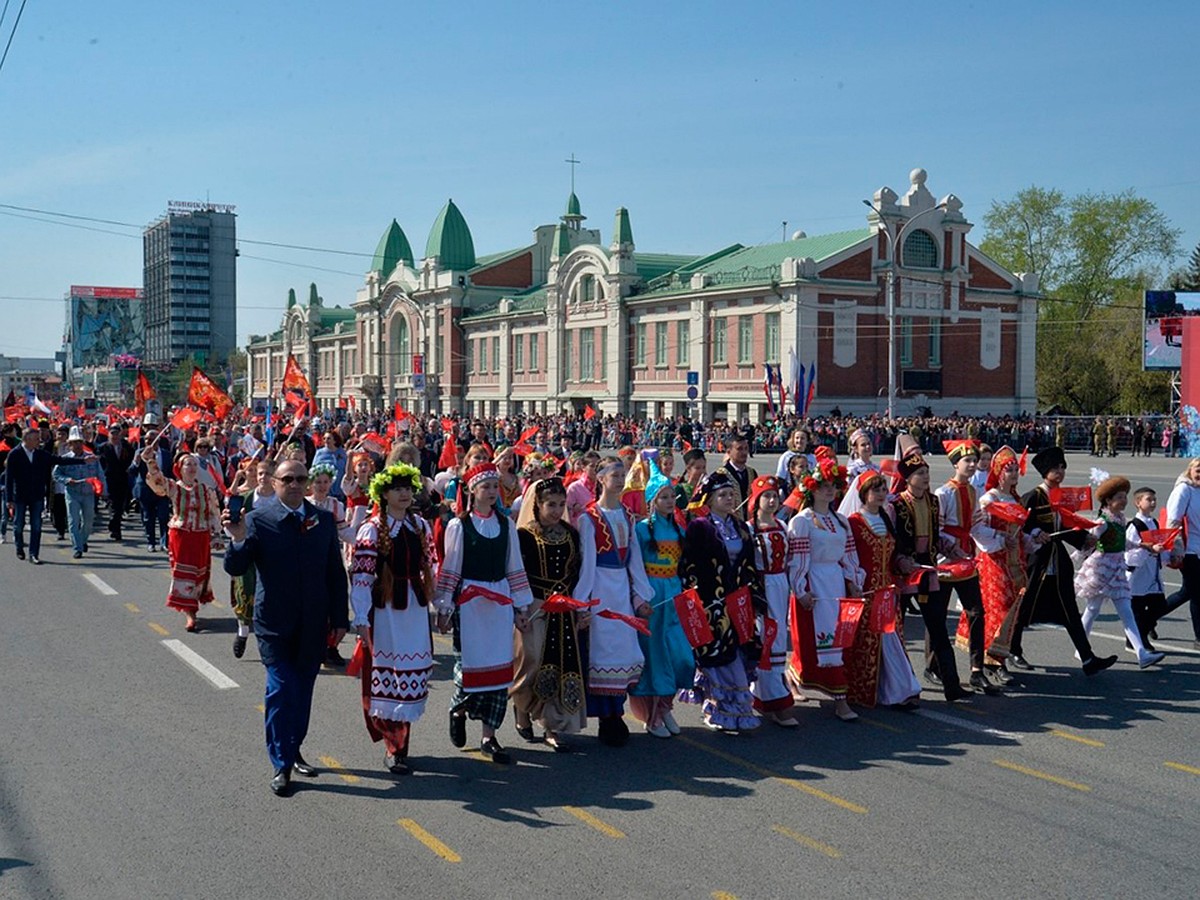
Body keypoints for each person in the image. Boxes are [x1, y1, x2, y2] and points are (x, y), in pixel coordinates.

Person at [224, 458, 350, 796]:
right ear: (275, 483)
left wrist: (340, 620)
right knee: (281, 688)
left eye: (300, 479)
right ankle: (281, 763)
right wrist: (236, 539)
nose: (294, 484)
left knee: (303, 691)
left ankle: (294, 750)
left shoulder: (322, 520)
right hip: (273, 623)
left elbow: (335, 573)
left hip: (313, 622)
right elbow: (236, 567)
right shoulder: (257, 520)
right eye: (287, 479)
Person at [434, 462, 533, 764]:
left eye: (495, 486)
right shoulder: (459, 526)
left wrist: (521, 606)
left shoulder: (507, 526)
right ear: (472, 490)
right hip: (471, 605)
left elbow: (514, 567)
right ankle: (459, 709)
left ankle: (489, 737)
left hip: (500, 604)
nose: (491, 492)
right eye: (485, 486)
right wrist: (445, 607)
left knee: (500, 671)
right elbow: (450, 568)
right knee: (468, 669)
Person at [349, 463, 435, 774]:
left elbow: (431, 564)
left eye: (408, 488)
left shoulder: (420, 526)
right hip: (386, 610)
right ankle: (393, 745)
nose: (404, 493)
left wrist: (440, 604)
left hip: (414, 607)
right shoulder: (372, 528)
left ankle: (401, 745)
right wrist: (361, 617)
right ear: (384, 494)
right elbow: (362, 575)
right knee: (388, 676)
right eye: (397, 488)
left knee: (411, 675)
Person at [1012, 446, 1118, 675]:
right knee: (1024, 605)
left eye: (1062, 467)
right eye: (1055, 468)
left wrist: (1085, 538)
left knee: (1069, 609)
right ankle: (1013, 649)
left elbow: (1067, 526)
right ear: (1044, 471)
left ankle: (1088, 658)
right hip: (1037, 561)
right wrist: (1035, 533)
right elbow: (1018, 525)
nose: (1060, 472)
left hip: (1057, 562)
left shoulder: (1063, 496)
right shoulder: (1033, 496)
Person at [575, 456, 653, 746]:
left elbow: (635, 562)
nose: (620, 480)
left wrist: (640, 596)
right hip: (600, 591)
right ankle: (607, 718)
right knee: (603, 651)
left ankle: (616, 711)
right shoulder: (589, 518)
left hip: (621, 591)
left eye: (623, 475)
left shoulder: (628, 516)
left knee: (623, 651)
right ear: (600, 479)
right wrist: (582, 603)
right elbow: (587, 565)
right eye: (614, 475)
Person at [679, 471, 766, 732]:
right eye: (722, 495)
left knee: (739, 652)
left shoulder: (740, 527)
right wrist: (696, 593)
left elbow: (749, 562)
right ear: (710, 498)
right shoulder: (700, 526)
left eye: (731, 494)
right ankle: (718, 709)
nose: (729, 499)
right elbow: (689, 562)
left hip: (738, 602)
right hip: (712, 602)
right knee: (718, 656)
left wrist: (753, 592)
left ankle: (738, 710)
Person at [890, 437, 972, 702]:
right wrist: (902, 561)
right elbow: (891, 542)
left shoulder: (934, 501)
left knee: (937, 627)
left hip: (928, 570)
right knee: (897, 630)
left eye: (927, 472)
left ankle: (952, 684)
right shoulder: (896, 505)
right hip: (904, 572)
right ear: (909, 478)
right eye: (920, 474)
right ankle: (904, 687)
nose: (926, 477)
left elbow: (937, 535)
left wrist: (953, 549)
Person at [786, 448, 863, 720]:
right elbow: (796, 560)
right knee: (817, 640)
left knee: (838, 638)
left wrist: (854, 582)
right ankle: (835, 698)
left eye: (833, 487)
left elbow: (849, 556)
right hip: (815, 582)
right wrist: (801, 589)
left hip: (835, 585)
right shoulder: (802, 522)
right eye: (823, 487)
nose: (829, 492)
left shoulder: (841, 521)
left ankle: (836, 693)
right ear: (812, 490)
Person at [513, 477, 587, 752]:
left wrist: (580, 607)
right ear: (537, 505)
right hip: (534, 605)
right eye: (550, 505)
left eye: (561, 504)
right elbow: (516, 574)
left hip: (563, 608)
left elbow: (577, 573)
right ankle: (521, 707)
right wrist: (519, 607)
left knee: (561, 662)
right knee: (530, 660)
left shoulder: (571, 533)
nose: (556, 510)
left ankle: (552, 725)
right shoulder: (524, 536)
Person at [630, 462, 697, 738]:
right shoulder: (642, 530)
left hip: (675, 593)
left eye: (672, 496)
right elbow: (633, 567)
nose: (670, 502)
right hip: (652, 596)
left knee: (680, 654)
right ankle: (653, 715)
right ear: (652, 501)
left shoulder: (679, 529)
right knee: (655, 655)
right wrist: (638, 598)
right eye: (663, 497)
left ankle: (666, 704)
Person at [844, 473, 922, 708]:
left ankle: (900, 689)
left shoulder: (887, 519)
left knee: (891, 640)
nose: (880, 494)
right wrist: (852, 584)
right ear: (863, 493)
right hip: (866, 592)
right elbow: (848, 558)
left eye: (882, 489)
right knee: (869, 642)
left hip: (887, 591)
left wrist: (902, 563)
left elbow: (892, 555)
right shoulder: (854, 522)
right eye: (875, 490)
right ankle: (866, 690)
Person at [1076, 476, 1165, 669]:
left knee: (1126, 611)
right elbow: (1089, 540)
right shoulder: (1103, 521)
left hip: (1117, 569)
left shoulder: (1120, 519)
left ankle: (1141, 654)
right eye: (1119, 497)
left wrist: (1144, 546)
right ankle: (1081, 648)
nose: (1123, 500)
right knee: (1092, 610)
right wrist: (1078, 553)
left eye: (1125, 496)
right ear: (1108, 500)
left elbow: (1122, 542)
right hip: (1101, 569)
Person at [933, 440, 999, 693]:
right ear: (955, 464)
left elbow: (975, 527)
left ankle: (976, 669)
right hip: (945, 563)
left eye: (975, 461)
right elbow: (937, 531)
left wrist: (1001, 537)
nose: (972, 465)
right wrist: (952, 549)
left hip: (967, 560)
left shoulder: (972, 492)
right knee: (937, 616)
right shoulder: (943, 493)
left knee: (976, 612)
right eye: (967, 461)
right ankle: (933, 665)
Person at [963, 446, 1032, 683]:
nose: (1013, 474)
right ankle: (992, 660)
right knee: (998, 609)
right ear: (998, 472)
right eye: (1008, 470)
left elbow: (1021, 532)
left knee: (1012, 610)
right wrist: (1002, 539)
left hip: (1014, 561)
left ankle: (999, 656)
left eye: (1015, 469)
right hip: (993, 562)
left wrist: (1033, 540)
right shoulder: (988, 499)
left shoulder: (1016, 499)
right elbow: (977, 531)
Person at [747, 475, 801, 725]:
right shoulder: (748, 529)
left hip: (780, 585)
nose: (771, 500)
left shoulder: (782, 525)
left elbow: (791, 561)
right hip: (761, 587)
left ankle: (771, 695)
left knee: (778, 637)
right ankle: (772, 698)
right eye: (766, 496)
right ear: (756, 500)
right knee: (764, 638)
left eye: (774, 496)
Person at [4, 426, 89, 564]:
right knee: (18, 525)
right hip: (19, 495)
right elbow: (9, 478)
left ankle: (33, 554)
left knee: (36, 526)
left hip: (37, 495)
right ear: (27, 439)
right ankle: (19, 547)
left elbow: (59, 460)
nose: (39, 441)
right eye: (36, 439)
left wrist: (83, 460)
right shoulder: (15, 454)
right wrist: (9, 499)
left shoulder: (41, 454)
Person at [227, 458, 275, 658]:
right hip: (248, 552)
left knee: (270, 596)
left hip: (272, 553)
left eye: (267, 474)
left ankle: (268, 640)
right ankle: (242, 633)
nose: (263, 477)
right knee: (244, 592)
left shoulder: (279, 500)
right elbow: (231, 526)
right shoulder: (246, 498)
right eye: (260, 473)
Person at [1125, 487, 1169, 652]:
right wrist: (1148, 550)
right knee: (1137, 608)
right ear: (1138, 503)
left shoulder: (1154, 522)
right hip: (1138, 575)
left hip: (1152, 574)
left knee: (1159, 606)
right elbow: (1129, 554)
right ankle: (1137, 641)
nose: (1153, 503)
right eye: (1148, 499)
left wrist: (1165, 554)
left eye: (1154, 500)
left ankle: (1139, 634)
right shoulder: (1134, 526)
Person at [53, 427, 107, 560]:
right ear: (69, 444)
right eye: (74, 442)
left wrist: (104, 491)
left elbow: (100, 474)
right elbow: (56, 474)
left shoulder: (91, 458)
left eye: (79, 442)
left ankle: (82, 540)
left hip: (88, 493)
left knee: (88, 521)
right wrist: (66, 480)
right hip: (73, 493)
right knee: (73, 520)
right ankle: (77, 547)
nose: (77, 445)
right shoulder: (65, 459)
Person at [1165, 458, 1200, 649]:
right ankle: (1199, 638)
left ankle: (1147, 619)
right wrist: (1176, 549)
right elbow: (1173, 521)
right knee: (1196, 594)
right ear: (1190, 470)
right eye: (1198, 469)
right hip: (1188, 550)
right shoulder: (1184, 490)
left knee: (1187, 592)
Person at [98, 423, 135, 541]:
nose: (114, 436)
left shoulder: (127, 447)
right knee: (114, 505)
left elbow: (132, 459)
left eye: (117, 433)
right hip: (108, 479)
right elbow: (99, 464)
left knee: (120, 506)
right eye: (112, 433)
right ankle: (116, 530)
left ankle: (114, 525)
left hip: (123, 479)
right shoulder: (103, 448)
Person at [716, 435, 757, 520]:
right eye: (739, 449)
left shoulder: (752, 472)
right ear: (728, 451)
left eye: (746, 448)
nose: (744, 452)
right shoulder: (720, 475)